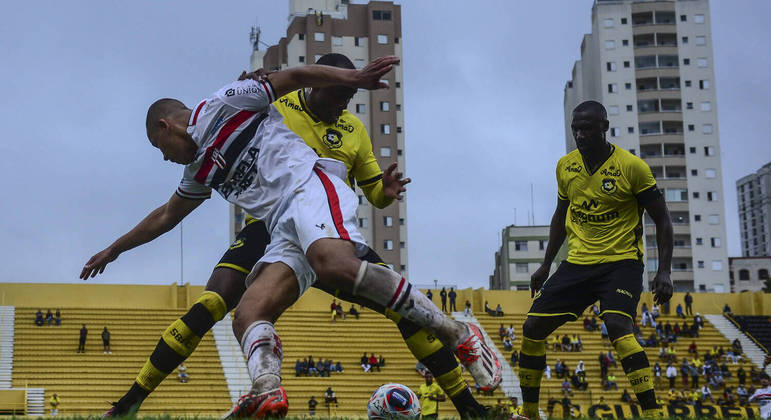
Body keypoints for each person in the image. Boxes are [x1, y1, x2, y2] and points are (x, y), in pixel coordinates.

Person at [89, 55, 496, 419]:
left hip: (310, 187)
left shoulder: (225, 101)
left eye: (156, 145)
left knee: (333, 265)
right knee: (248, 312)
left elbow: (298, 74)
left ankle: (456, 332)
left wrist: (354, 77)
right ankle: (266, 391)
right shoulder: (197, 171)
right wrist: (114, 249)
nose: (161, 155)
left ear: (164, 125)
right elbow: (165, 215)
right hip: (280, 225)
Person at [517, 102, 674, 420]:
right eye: (575, 128)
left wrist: (666, 271)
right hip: (578, 262)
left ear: (604, 127)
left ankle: (653, 413)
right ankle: (529, 413)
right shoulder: (565, 166)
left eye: (587, 127)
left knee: (617, 325)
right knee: (532, 327)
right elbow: (561, 216)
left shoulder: (632, 167)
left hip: (621, 261)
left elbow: (664, 220)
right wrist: (546, 265)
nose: (580, 134)